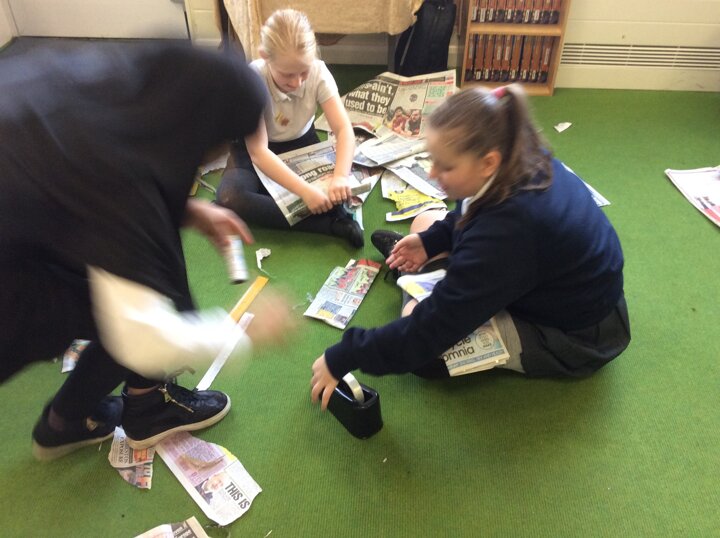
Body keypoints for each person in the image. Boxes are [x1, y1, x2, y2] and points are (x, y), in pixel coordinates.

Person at [0, 42, 293, 460]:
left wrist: (184, 210)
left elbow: (71, 181)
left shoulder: (116, 81)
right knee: (116, 307)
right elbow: (144, 340)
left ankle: (80, 417)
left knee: (143, 268)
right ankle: (105, 415)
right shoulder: (121, 181)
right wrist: (243, 334)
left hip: (21, 212)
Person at [311, 85, 631, 408]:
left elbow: (428, 334)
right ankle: (434, 278)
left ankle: (424, 284)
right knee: (425, 222)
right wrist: (430, 242)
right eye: (433, 161)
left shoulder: (507, 233)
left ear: (488, 162)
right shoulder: (516, 151)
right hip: (549, 278)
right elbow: (470, 208)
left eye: (446, 167)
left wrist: (344, 355)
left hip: (577, 334)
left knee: (424, 353)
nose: (433, 174)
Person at [216, 9, 363, 248]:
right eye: (287, 75)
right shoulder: (254, 77)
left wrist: (340, 177)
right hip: (256, 150)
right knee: (230, 198)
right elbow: (259, 152)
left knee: (335, 195)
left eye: (303, 72)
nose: (297, 83)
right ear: (265, 57)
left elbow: (344, 130)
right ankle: (329, 225)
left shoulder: (319, 72)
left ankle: (298, 205)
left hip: (302, 143)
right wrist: (305, 191)